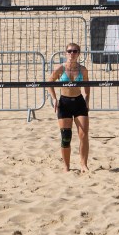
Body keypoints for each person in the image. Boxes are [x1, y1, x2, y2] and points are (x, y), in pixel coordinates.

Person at [48, 43, 90, 172]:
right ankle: (66, 166)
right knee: (66, 136)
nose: (72, 53)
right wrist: (54, 98)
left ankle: (83, 165)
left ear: (78, 54)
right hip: (64, 103)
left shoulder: (83, 69)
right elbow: (49, 82)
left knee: (83, 135)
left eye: (75, 51)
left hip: (79, 102)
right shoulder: (60, 68)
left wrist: (87, 100)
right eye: (69, 51)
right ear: (65, 53)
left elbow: (87, 86)